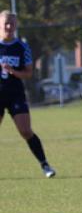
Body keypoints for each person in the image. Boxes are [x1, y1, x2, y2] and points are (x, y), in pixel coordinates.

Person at [0, 11, 56, 178]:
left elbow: (29, 73)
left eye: (12, 23)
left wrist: (13, 72)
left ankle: (45, 165)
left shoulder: (22, 47)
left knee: (25, 131)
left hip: (15, 94)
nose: (9, 26)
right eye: (6, 23)